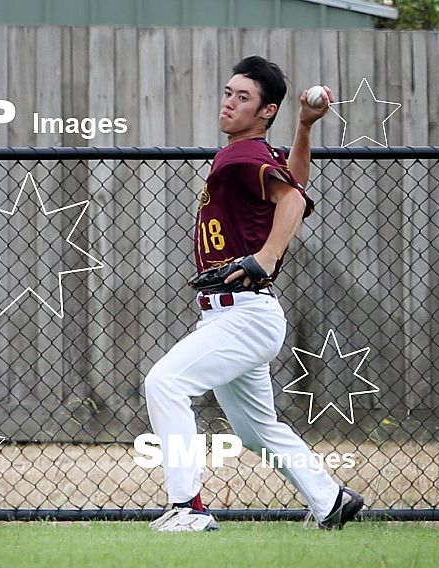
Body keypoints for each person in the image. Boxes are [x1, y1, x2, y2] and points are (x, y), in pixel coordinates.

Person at [145, 55, 364, 532]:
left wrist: (266, 257)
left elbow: (293, 198)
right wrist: (305, 127)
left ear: (267, 111)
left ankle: (188, 509)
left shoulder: (240, 156)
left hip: (242, 314)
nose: (229, 103)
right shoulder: (255, 153)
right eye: (228, 93)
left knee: (165, 383)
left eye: (243, 97)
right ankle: (331, 500)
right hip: (238, 315)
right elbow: (296, 181)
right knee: (256, 430)